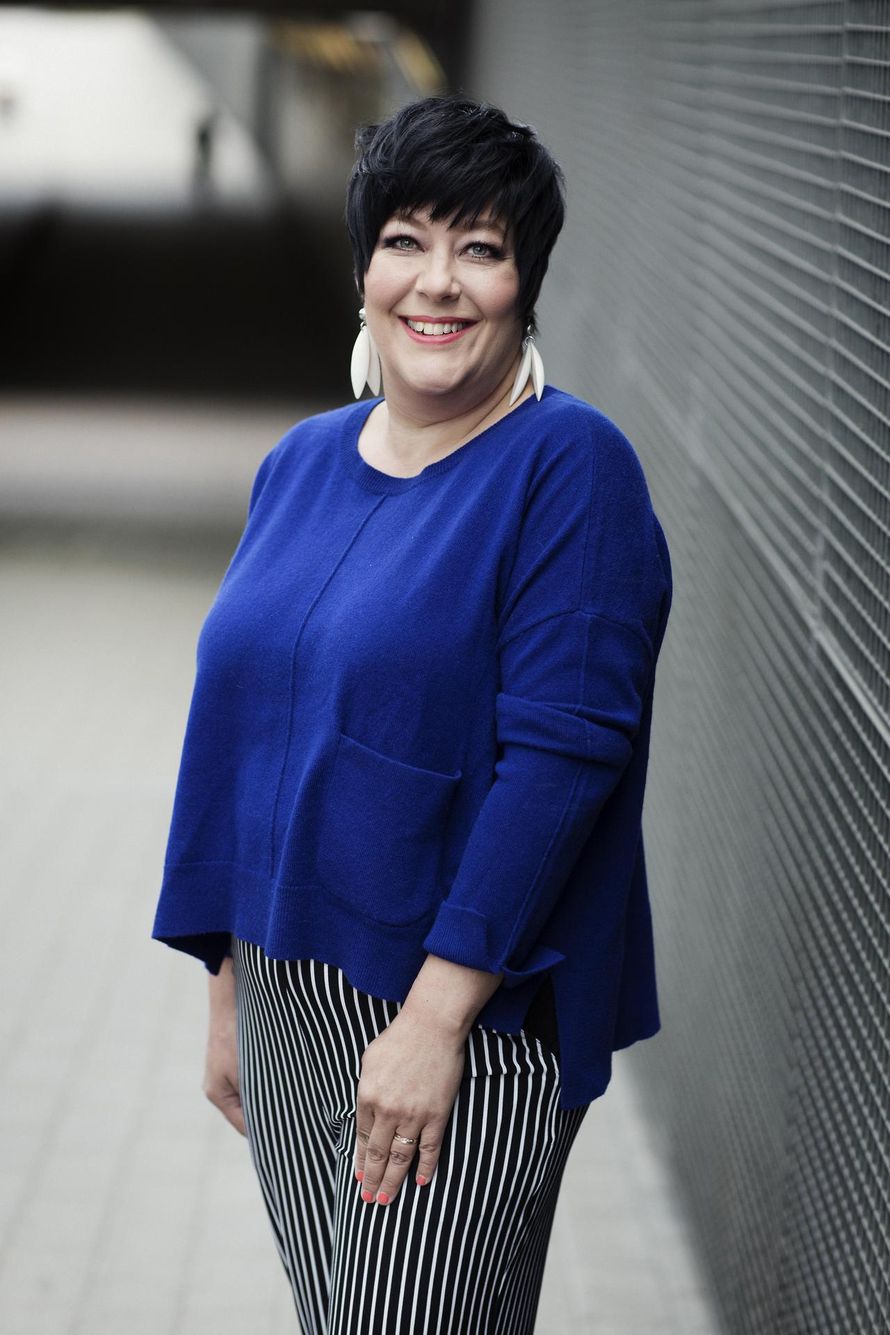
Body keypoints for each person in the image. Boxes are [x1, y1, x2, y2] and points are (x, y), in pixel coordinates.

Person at [151, 92, 673, 1334]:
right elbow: (241, 732)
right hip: (284, 994)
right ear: (363, 272)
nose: (437, 282)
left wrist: (434, 1022)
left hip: (465, 1009)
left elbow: (562, 762)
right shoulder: (301, 462)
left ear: (523, 286)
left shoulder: (567, 467)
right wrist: (227, 995)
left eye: (479, 248)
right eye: (405, 241)